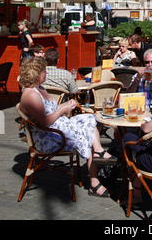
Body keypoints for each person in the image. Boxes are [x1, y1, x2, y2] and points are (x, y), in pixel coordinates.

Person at [19, 56, 117, 197]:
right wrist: (62, 110)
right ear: (36, 74)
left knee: (89, 119)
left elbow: (49, 111)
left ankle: (98, 154)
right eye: (44, 71)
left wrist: (64, 106)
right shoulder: (31, 95)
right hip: (48, 137)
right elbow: (44, 122)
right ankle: (95, 179)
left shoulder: (39, 88)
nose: (46, 73)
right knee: (89, 133)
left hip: (58, 127)